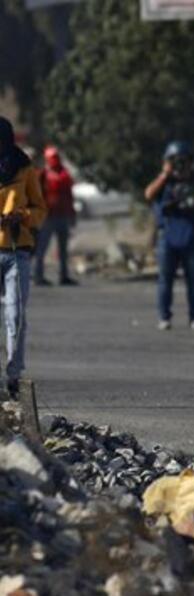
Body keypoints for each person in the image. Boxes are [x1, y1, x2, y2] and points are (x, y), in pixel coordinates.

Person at [0, 117, 47, 397]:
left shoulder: (24, 167)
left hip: (17, 250)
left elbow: (39, 208)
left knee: (15, 315)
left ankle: (13, 374)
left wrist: (23, 216)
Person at [144, 141, 194, 331]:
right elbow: (148, 194)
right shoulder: (164, 181)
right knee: (165, 279)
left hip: (190, 234)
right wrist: (165, 174)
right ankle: (164, 316)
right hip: (168, 234)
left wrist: (190, 176)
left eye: (183, 160)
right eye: (175, 160)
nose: (180, 164)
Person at [35, 145, 77, 287]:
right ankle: (38, 275)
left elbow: (69, 195)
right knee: (42, 247)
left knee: (63, 248)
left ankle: (64, 275)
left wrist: (72, 214)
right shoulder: (43, 174)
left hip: (62, 215)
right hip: (48, 216)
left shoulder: (64, 174)